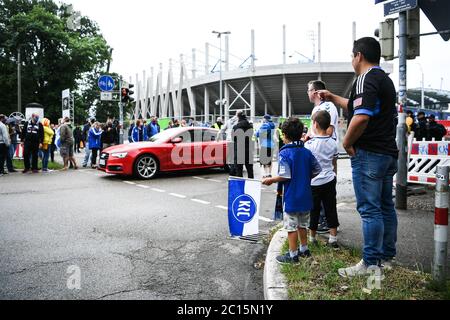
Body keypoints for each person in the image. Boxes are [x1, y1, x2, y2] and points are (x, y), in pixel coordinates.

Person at [317, 37, 398, 276]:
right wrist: (332, 97)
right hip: (387, 154)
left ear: (359, 56)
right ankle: (386, 257)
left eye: (352, 56)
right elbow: (357, 106)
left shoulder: (364, 78)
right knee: (385, 207)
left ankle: (370, 264)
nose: (352, 61)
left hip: (369, 154)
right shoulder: (383, 80)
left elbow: (361, 117)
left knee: (370, 210)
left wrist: (347, 142)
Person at [262, 117, 321, 264]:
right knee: (303, 225)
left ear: (285, 135)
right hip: (306, 196)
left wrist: (270, 180)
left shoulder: (285, 153)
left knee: (291, 227)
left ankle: (293, 255)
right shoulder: (306, 152)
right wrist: (305, 177)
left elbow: (284, 176)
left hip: (292, 197)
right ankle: (304, 249)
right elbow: (317, 170)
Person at [305, 111, 340, 248]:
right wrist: (334, 175)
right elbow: (334, 162)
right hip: (330, 179)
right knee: (331, 208)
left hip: (314, 183)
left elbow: (308, 166)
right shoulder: (333, 143)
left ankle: (312, 238)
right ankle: (333, 238)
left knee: (314, 210)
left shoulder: (309, 145)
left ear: (315, 124)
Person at [231, 112, 255, 179]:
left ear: (238, 117)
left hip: (239, 151)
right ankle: (251, 185)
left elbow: (233, 138)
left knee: (239, 171)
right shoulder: (250, 127)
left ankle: (240, 186)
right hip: (248, 150)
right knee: (250, 170)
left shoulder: (235, 127)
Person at [256, 114, 276, 178]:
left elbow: (258, 134)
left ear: (265, 119)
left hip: (264, 144)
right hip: (271, 144)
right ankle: (269, 173)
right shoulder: (272, 125)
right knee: (270, 159)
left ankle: (266, 174)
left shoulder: (265, 125)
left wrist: (257, 131)